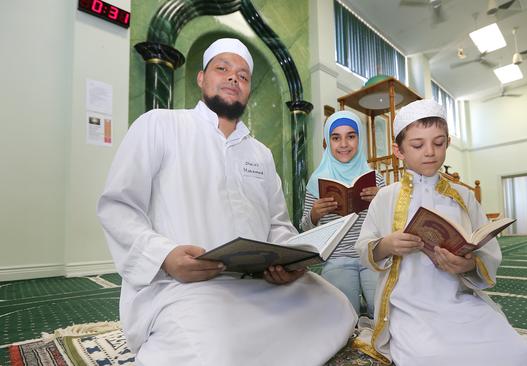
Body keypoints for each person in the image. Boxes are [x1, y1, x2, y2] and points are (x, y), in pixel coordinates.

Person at [97, 38, 356, 366]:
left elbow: (278, 225)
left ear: (248, 91)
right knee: (210, 351)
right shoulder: (159, 125)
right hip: (182, 286)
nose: (234, 78)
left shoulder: (260, 154)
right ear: (201, 78)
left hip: (258, 284)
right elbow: (119, 206)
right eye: (223, 68)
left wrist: (289, 262)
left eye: (244, 75)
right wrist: (165, 256)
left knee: (336, 307)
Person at [353, 99, 527, 366]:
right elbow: (364, 248)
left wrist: (467, 263)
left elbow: (486, 252)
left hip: (458, 299)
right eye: (418, 145)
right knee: (431, 358)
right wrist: (387, 245)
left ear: (447, 143)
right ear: (399, 150)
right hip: (408, 307)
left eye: (438, 143)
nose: (430, 152)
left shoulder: (463, 196)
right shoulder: (386, 197)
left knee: (518, 355)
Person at [301, 111, 385, 316]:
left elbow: (392, 222)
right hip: (337, 257)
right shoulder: (316, 181)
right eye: (336, 137)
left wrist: (381, 199)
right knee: (343, 315)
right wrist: (314, 214)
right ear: (327, 142)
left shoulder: (376, 178)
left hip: (372, 254)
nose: (344, 144)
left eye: (351, 136)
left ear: (360, 139)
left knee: (383, 311)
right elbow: (303, 227)